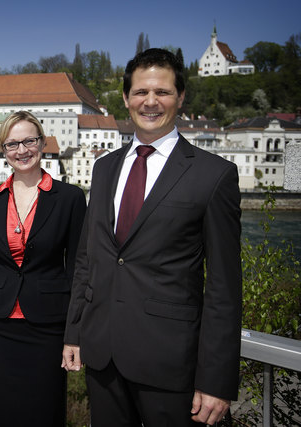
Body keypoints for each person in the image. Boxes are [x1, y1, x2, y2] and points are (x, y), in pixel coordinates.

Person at [63, 48, 242, 426]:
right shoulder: (104, 168)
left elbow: (225, 289)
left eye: (162, 92)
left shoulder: (213, 175)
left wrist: (217, 379)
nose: (150, 102)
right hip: (103, 357)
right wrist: (75, 332)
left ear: (180, 97)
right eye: (141, 92)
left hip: (170, 363)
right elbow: (88, 258)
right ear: (126, 98)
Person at [0, 111, 86, 426]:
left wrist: (74, 335)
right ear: (3, 150)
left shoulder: (69, 198)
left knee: (42, 411)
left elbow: (78, 270)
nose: (22, 150)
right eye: (12, 144)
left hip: (47, 327)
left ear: (42, 143)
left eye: (29, 141)